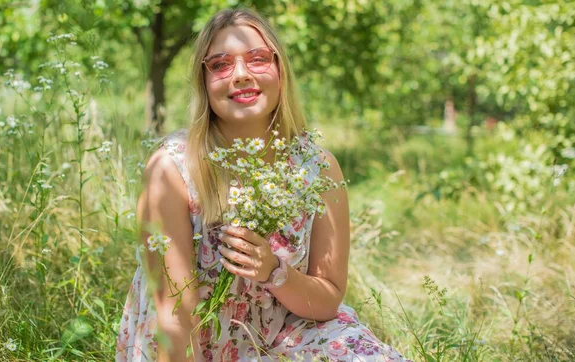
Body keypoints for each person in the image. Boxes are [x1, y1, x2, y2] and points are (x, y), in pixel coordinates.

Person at [116, 7, 409, 362]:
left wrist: (274, 271)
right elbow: (175, 314)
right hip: (197, 345)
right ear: (204, 81)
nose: (240, 75)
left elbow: (327, 299)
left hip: (291, 334)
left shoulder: (317, 168)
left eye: (257, 59)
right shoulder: (172, 168)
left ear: (280, 71)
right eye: (220, 64)